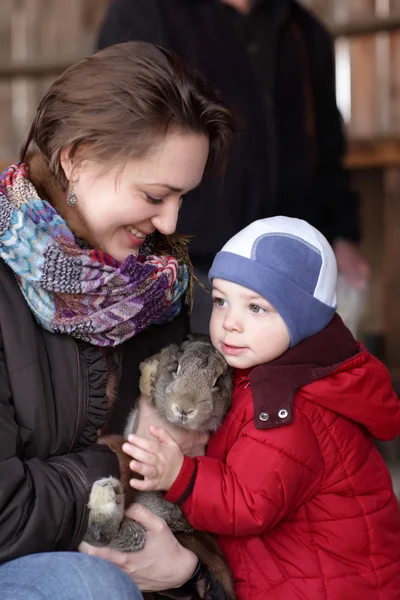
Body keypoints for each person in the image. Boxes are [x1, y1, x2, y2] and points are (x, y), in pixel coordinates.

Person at [0, 40, 236, 599]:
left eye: (183, 197)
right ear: (76, 157)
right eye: (155, 194)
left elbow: (199, 492)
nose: (171, 221)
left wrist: (187, 573)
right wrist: (117, 464)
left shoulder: (156, 288)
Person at [123, 216, 400, 599]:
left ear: (302, 320)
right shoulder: (270, 371)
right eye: (220, 301)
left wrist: (180, 474)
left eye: (256, 308)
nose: (229, 323)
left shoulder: (289, 406)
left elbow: (249, 504)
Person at [96, 0, 370, 335]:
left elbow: (327, 149)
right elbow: (116, 135)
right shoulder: (145, 12)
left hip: (286, 271)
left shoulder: (305, 32)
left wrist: (343, 235)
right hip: (186, 267)